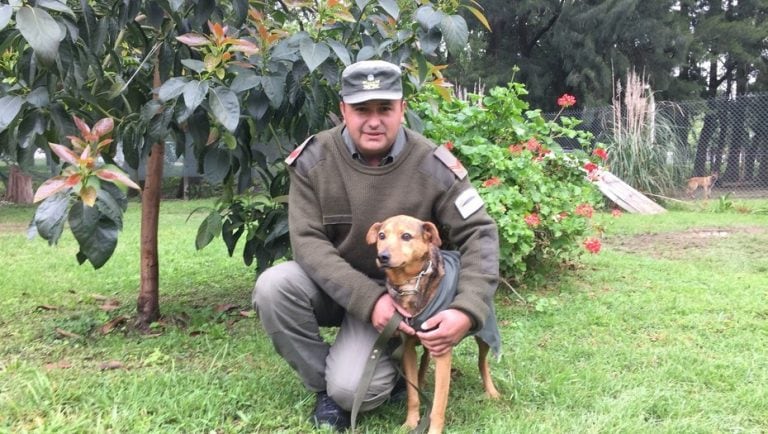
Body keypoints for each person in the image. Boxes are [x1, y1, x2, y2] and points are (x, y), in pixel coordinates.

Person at [252, 59, 500, 431]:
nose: (373, 121)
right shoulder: (314, 159)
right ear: (342, 111)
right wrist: (369, 301)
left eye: (385, 108)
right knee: (274, 286)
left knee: (356, 392)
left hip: (405, 297)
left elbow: (479, 232)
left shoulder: (433, 165)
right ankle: (325, 386)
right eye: (361, 109)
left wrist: (466, 309)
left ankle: (379, 372)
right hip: (339, 288)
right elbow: (307, 242)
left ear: (402, 109)